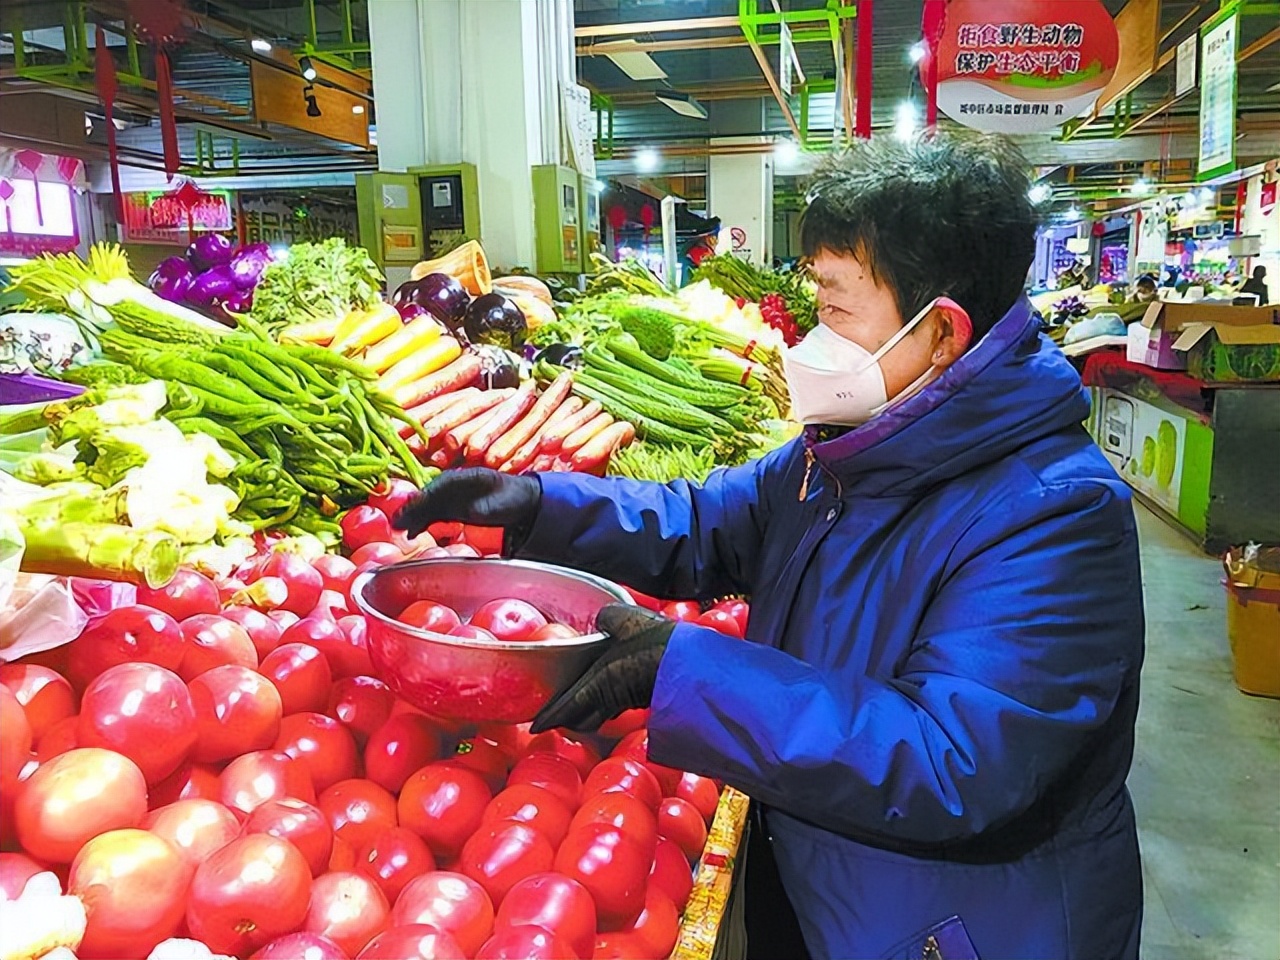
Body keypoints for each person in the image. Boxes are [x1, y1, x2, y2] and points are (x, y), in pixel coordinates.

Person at [395, 133, 1146, 960]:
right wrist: (539, 504)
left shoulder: (1056, 515)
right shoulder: (855, 446)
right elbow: (708, 520)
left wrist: (684, 671)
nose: (813, 336)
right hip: (827, 877)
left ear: (942, 334)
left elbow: (947, 761)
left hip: (952, 927)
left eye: (834, 305)